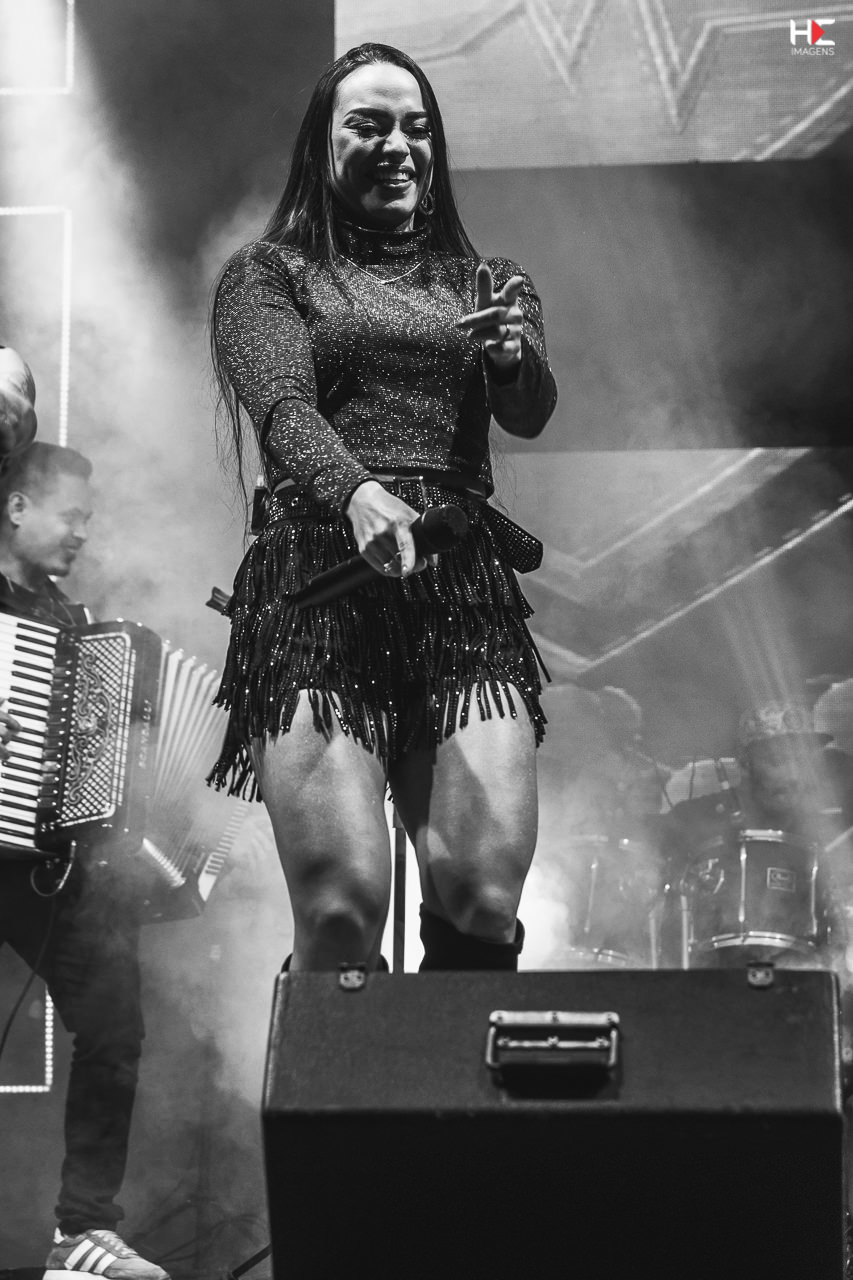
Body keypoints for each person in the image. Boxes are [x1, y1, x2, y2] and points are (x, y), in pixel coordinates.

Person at [209, 42, 558, 973]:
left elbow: (528, 413)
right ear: (322, 145)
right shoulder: (270, 272)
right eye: (368, 125)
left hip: (457, 591)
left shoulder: (487, 282)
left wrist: (510, 359)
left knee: (482, 898)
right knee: (341, 911)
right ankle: (339, 1061)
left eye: (416, 127)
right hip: (320, 585)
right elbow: (281, 407)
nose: (398, 145)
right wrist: (358, 493)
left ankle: (448, 1066)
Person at [0, 438, 170, 1279]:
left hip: (35, 864)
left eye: (88, 519)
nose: (82, 533)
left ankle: (81, 1232)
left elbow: (94, 774)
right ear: (16, 507)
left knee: (114, 1021)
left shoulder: (74, 629)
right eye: (69, 515)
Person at [661, 699, 850, 970]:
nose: (795, 776)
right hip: (704, 979)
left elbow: (834, 925)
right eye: (778, 761)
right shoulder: (693, 819)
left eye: (803, 762)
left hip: (797, 983)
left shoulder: (819, 834)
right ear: (745, 764)